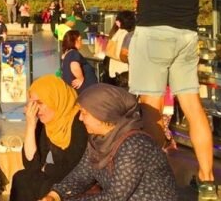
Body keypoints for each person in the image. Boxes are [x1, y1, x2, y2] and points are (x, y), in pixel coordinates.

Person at [103, 0, 217, 198]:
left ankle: (155, 180)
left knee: (150, 109)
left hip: (153, 35)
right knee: (192, 107)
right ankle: (207, 181)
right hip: (186, 36)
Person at [40, 84, 178, 201]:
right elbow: (82, 175)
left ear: (102, 114)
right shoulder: (97, 140)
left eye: (84, 113)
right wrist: (55, 195)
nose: (80, 118)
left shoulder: (134, 145)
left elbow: (115, 197)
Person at [10, 75, 87, 201]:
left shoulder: (80, 121)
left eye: (40, 103)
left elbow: (74, 168)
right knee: (21, 178)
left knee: (46, 185)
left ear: (56, 99)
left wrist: (46, 167)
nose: (36, 109)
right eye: (33, 103)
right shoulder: (47, 122)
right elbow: (31, 165)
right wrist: (30, 125)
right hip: (58, 174)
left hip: (78, 180)